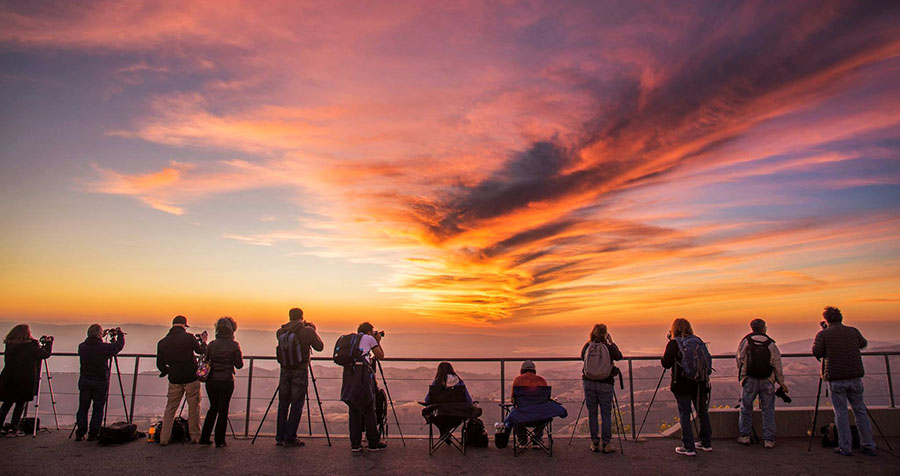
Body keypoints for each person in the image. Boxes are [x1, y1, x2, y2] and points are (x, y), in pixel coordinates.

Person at [812, 306, 876, 457]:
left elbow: (817, 352)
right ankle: (868, 445)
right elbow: (863, 344)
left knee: (840, 413)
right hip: (855, 377)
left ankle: (845, 447)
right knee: (860, 411)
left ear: (827, 319)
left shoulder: (824, 334)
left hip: (836, 378)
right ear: (841, 318)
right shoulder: (853, 331)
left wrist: (823, 331)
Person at [661, 318, 712, 456]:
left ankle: (688, 447)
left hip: (682, 384)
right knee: (702, 412)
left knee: (685, 413)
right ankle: (706, 443)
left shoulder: (674, 343)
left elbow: (665, 364)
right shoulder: (698, 341)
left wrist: (670, 343)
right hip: (700, 383)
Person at [274, 307, 323, 447]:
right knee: (297, 404)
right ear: (302, 316)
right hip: (300, 371)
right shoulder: (307, 331)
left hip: (284, 371)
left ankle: (280, 437)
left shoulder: (281, 331)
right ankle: (290, 437)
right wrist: (313, 330)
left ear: (289, 317)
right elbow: (319, 347)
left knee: (283, 404)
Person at [735, 318, 787, 448]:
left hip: (750, 380)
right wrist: (781, 382)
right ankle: (769, 439)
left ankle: (744, 435)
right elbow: (777, 364)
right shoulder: (771, 344)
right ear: (764, 328)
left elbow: (739, 359)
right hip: (767, 380)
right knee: (768, 410)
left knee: (745, 408)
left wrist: (743, 376)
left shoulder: (746, 342)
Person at [156, 315, 207, 445]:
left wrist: (169, 371)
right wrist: (204, 341)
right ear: (184, 325)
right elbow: (201, 351)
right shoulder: (189, 338)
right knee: (194, 407)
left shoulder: (162, 342)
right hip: (191, 378)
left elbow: (160, 365)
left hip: (174, 379)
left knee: (170, 408)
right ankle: (195, 436)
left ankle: (164, 438)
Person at [340, 321, 387, 453]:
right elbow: (380, 356)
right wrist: (377, 341)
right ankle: (373, 443)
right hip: (362, 375)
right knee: (368, 407)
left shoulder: (353, 340)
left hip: (349, 374)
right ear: (368, 331)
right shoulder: (369, 338)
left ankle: (355, 444)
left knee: (353, 408)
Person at [75, 324, 125, 441]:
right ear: (99, 334)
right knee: (98, 408)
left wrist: (101, 335)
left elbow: (93, 345)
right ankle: (93, 433)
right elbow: (117, 346)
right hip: (100, 381)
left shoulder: (82, 347)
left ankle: (80, 432)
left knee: (83, 407)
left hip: (85, 380)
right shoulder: (103, 348)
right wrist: (121, 336)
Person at [0, 324, 52, 436]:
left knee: (6, 404)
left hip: (8, 378)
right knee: (19, 404)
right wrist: (48, 343)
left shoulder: (10, 345)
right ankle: (14, 428)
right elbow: (45, 355)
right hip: (24, 379)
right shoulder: (30, 347)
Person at [200, 317, 243, 448]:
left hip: (211, 380)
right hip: (227, 380)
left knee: (213, 408)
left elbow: (206, 360)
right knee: (223, 410)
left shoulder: (212, 344)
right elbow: (239, 365)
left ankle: (205, 437)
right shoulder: (234, 345)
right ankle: (220, 441)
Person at [580, 324, 623, 453]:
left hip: (589, 383)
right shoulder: (609, 348)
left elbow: (583, 358)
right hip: (606, 384)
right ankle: (607, 443)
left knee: (592, 414)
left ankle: (594, 442)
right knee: (606, 414)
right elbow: (619, 356)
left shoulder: (588, 346)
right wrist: (612, 342)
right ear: (606, 334)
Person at [511, 360, 549, 447]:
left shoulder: (518, 380)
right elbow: (545, 401)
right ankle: (537, 439)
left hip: (523, 416)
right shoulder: (541, 380)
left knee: (515, 412)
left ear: (522, 370)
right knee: (545, 412)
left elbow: (513, 401)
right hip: (539, 417)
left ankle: (522, 440)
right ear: (534, 370)